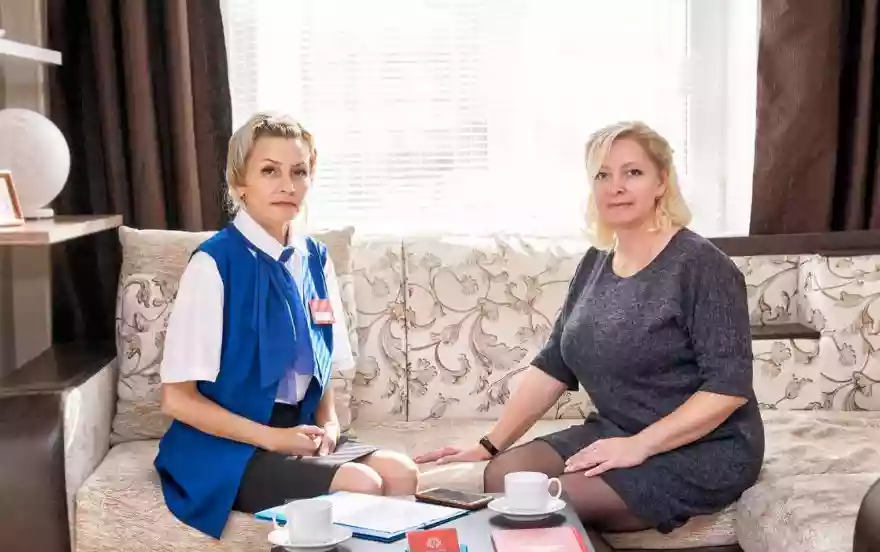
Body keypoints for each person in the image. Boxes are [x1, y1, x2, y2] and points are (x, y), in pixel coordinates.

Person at [414, 121, 764, 539]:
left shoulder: (703, 266)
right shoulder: (596, 262)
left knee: (548, 500)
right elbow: (555, 363)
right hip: (616, 428)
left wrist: (639, 446)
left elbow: (728, 387)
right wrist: (489, 445)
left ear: (661, 182)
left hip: (703, 448)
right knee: (505, 474)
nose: (615, 186)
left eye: (632, 172)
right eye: (602, 175)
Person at [155, 112, 419, 539]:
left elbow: (323, 362)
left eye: (299, 171)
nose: (288, 185)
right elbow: (177, 400)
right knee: (362, 483)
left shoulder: (314, 258)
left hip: (297, 430)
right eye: (269, 171)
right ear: (240, 183)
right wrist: (272, 439)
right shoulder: (213, 265)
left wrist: (330, 424)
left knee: (402, 472)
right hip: (225, 444)